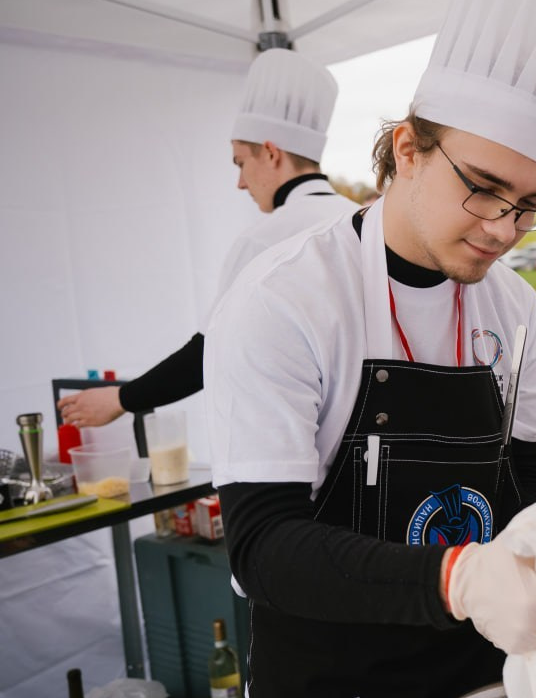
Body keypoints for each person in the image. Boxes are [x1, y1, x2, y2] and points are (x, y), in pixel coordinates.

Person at [203, 0, 536, 698]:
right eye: (483, 188)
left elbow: (524, 475)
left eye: (528, 206)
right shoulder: (287, 299)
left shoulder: (515, 306)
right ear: (408, 148)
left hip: (483, 686)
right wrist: (456, 575)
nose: (501, 228)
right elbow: (262, 544)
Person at [56, 49, 355, 430]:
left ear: (270, 152)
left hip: (300, 434)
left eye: (240, 162)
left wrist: (120, 399)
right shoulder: (359, 219)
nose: (241, 182)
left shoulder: (266, 239)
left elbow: (210, 351)